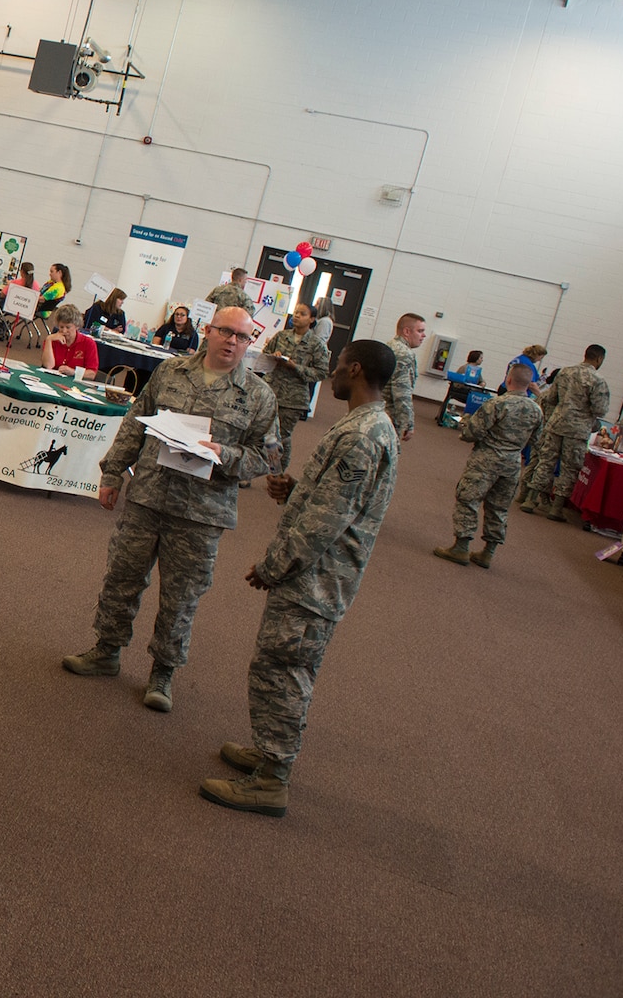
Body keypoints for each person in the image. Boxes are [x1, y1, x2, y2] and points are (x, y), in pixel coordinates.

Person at [199, 339, 400, 818]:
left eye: (338, 364)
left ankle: (272, 779)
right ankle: (269, 752)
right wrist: (296, 491)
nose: (330, 372)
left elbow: (326, 523)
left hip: (315, 580)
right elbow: (340, 501)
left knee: (285, 671)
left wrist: (273, 567)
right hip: (317, 574)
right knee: (278, 665)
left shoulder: (363, 435)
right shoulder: (366, 425)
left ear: (354, 369)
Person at [62, 306, 279, 713]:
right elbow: (136, 420)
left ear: (251, 343)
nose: (232, 341)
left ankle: (163, 672)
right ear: (208, 331)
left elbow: (269, 460)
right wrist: (112, 472)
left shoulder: (260, 396)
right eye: (225, 332)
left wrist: (227, 454)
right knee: (122, 577)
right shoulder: (170, 371)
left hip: (202, 513)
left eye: (242, 337)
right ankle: (106, 650)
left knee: (181, 598)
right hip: (149, 496)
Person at [434, 360, 542, 568]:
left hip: (486, 460)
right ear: (528, 385)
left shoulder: (497, 404)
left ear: (508, 380)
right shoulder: (536, 410)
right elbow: (536, 442)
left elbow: (472, 432)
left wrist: (465, 427)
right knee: (499, 507)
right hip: (512, 465)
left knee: (468, 499)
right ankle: (487, 553)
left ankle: (461, 547)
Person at [520, 343, 610, 522]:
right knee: (570, 468)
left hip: (556, 424)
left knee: (545, 461)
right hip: (577, 430)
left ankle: (530, 500)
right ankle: (556, 508)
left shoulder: (564, 372)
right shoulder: (598, 380)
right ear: (599, 359)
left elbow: (552, 398)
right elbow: (601, 409)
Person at [259, 303, 331, 472]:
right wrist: (274, 356)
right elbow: (265, 355)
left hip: (293, 398)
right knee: (262, 432)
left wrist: (296, 367)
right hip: (271, 391)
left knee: (282, 437)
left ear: (312, 319)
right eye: (296, 312)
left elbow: (321, 372)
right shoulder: (281, 336)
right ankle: (255, 470)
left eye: (302, 313)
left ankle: (277, 472)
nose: (297, 315)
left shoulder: (316, 344)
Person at [386, 312, 428, 441]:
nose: (423, 335)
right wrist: (407, 423)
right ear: (407, 331)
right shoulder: (404, 354)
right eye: (420, 331)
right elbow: (402, 392)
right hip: (389, 416)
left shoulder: (390, 345)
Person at [41, 304, 99, 379]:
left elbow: (92, 374)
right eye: (61, 327)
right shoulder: (53, 340)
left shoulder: (89, 343)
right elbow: (48, 366)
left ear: (77, 326)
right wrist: (49, 340)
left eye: (68, 327)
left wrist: (73, 372)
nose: (64, 331)